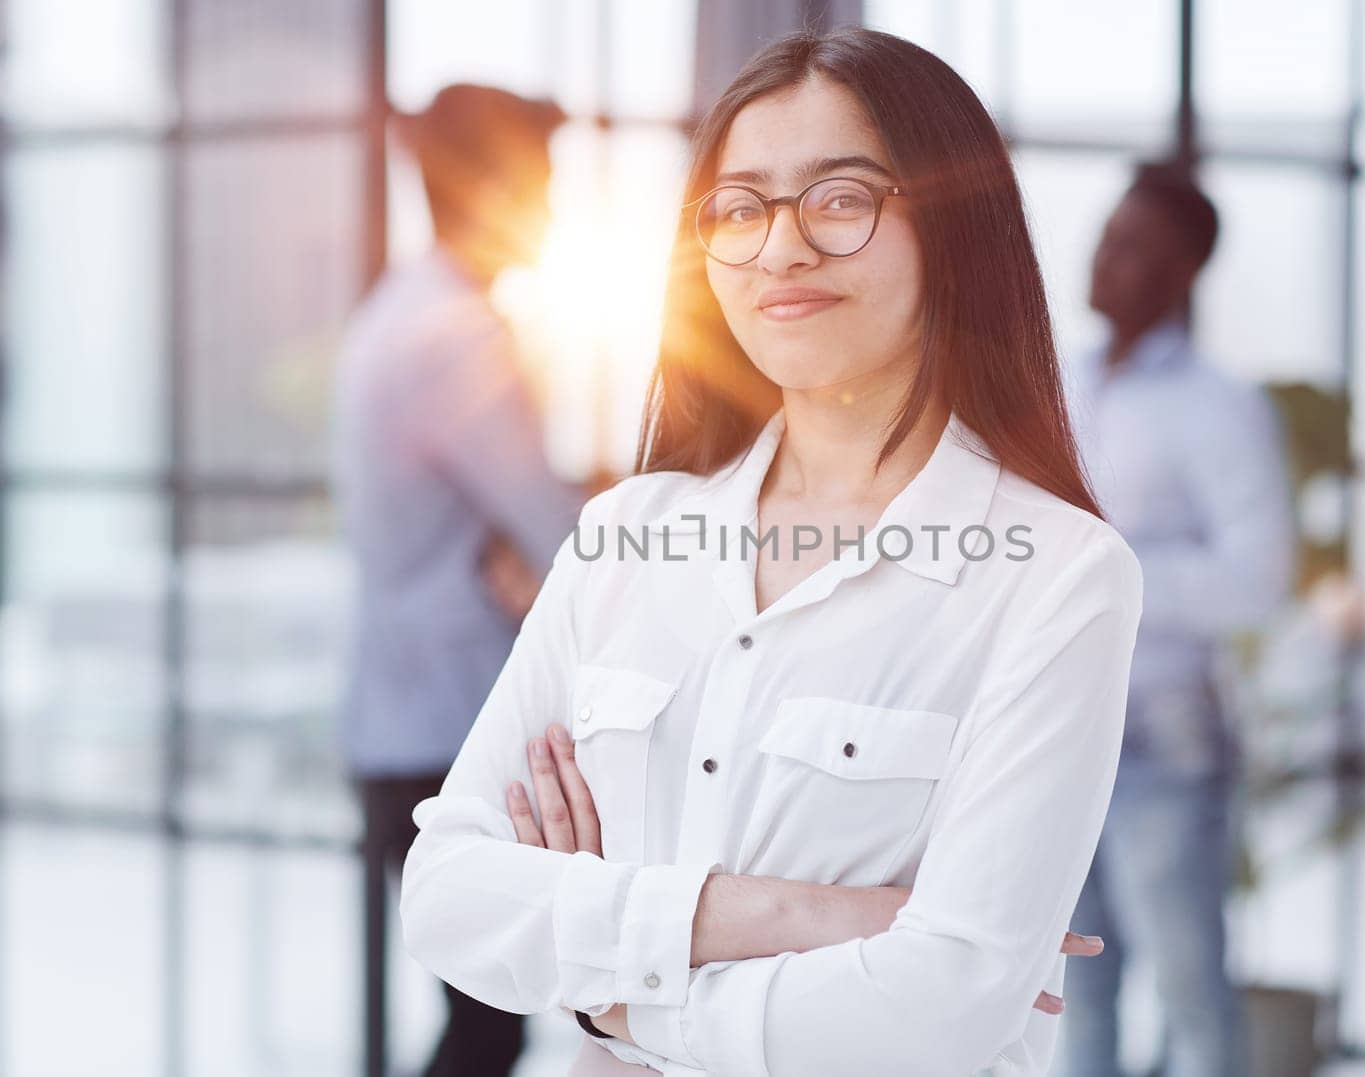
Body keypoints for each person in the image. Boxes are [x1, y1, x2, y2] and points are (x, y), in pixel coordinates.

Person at [399, 29, 1143, 1077]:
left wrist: (608, 993)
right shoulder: (629, 533)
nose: (780, 248)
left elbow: (941, 1009)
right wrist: (791, 913)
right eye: (739, 208)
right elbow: (443, 896)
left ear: (950, 226)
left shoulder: (1057, 574)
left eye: (840, 198)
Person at [332, 83, 584, 1077]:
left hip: (401, 722)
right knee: (487, 1025)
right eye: (542, 186)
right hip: (449, 731)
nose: (556, 213)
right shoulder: (458, 335)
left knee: (480, 1020)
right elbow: (561, 535)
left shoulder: (400, 310)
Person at [1053, 164, 1295, 1077]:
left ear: (1181, 271)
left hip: (1164, 731)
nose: (1101, 258)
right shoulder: (1055, 383)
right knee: (1075, 993)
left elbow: (1257, 580)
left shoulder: (1218, 407)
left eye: (1130, 247)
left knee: (1192, 992)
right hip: (1061, 730)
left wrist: (1108, 568)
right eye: (1104, 235)